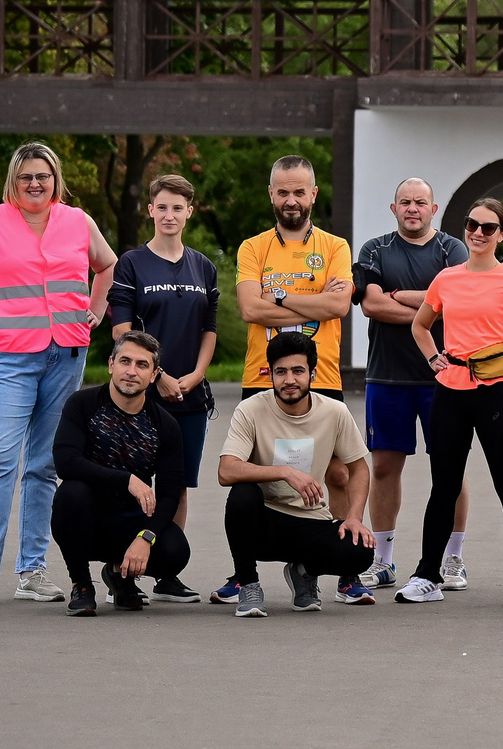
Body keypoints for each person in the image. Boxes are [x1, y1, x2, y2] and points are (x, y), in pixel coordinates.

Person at [0, 141, 117, 606]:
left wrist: (96, 309)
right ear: (12, 181)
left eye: (43, 176)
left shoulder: (78, 221)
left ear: (57, 179)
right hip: (9, 358)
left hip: (66, 355)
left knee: (44, 466)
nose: (35, 184)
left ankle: (32, 571)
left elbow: (108, 264)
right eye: (25, 177)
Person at [398, 198, 503, 606]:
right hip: (451, 391)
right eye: (472, 224)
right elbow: (420, 324)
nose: (478, 232)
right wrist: (433, 360)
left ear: (502, 234)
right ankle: (428, 574)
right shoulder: (447, 278)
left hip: (500, 391)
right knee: (443, 487)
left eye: (488, 227)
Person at [227, 154, 355, 601]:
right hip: (263, 375)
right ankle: (244, 571)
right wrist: (312, 298)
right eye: (283, 191)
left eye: (300, 191)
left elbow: (339, 308)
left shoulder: (336, 247)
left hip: (321, 376)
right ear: (271, 194)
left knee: (335, 473)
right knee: (253, 477)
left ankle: (333, 567)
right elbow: (249, 309)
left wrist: (276, 296)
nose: (291, 199)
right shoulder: (253, 247)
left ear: (314, 194)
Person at [352, 177, 473, 599]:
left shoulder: (452, 249)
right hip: (387, 376)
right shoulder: (374, 249)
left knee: (450, 468)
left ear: (433, 208)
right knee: (384, 466)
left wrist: (400, 297)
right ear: (394, 208)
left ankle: (451, 558)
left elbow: (455, 302)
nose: (413, 209)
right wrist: (427, 308)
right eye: (405, 202)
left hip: (444, 376)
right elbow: (370, 304)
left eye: (420, 202)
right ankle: (382, 562)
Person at [104, 172, 218, 602]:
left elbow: (209, 329)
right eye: (162, 207)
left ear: (189, 212)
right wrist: (160, 376)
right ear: (150, 210)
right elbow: (121, 331)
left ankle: (168, 571)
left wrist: (197, 374)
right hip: (141, 396)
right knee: (134, 482)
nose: (169, 215)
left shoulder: (203, 266)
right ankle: (123, 573)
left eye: (178, 207)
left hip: (189, 395)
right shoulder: (131, 263)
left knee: (176, 484)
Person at [216, 331, 374, 617]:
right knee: (242, 494)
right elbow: (226, 470)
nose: (289, 380)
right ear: (271, 375)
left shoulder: (335, 412)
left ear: (312, 374)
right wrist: (285, 472)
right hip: (263, 522)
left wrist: (354, 517)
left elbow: (359, 467)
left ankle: (304, 570)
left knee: (360, 550)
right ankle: (249, 584)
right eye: (281, 372)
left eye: (298, 371)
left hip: (310, 519)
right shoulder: (250, 409)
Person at [50, 330, 192, 615]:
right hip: (86, 517)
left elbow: (168, 494)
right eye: (125, 361)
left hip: (131, 522)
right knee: (70, 492)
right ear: (111, 364)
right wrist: (126, 479)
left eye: (142, 365)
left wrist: (146, 537)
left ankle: (121, 576)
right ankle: (81, 584)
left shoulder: (164, 425)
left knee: (176, 551)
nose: (131, 371)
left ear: (153, 375)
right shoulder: (83, 404)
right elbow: (65, 461)